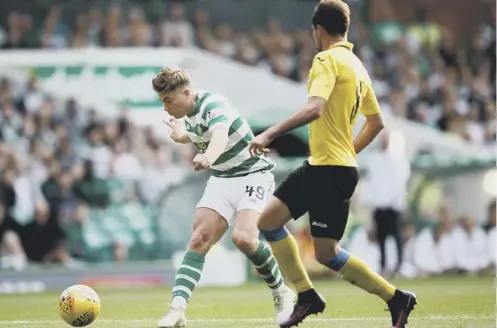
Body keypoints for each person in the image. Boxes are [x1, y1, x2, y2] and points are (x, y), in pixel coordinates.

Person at [249, 1, 417, 328]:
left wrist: (269, 133)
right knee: (326, 253)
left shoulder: (325, 59)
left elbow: (314, 108)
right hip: (340, 169)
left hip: (324, 168)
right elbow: (377, 122)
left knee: (268, 221)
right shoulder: (356, 65)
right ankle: (397, 298)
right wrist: (349, 151)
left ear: (319, 31)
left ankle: (307, 295)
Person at [152, 67, 295, 328]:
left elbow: (218, 136)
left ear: (186, 92)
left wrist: (208, 157)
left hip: (253, 175)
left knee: (243, 239)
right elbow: (199, 134)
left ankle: (281, 292)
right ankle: (177, 310)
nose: (165, 108)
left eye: (167, 100)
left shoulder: (214, 105)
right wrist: (181, 137)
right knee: (198, 239)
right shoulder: (191, 114)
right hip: (222, 179)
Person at [362, 132, 411, 276]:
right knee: (382, 237)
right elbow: (372, 182)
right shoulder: (374, 160)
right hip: (380, 205)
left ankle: (399, 265)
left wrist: (395, 199)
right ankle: (383, 265)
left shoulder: (398, 159)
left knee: (397, 236)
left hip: (394, 205)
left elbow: (400, 181)